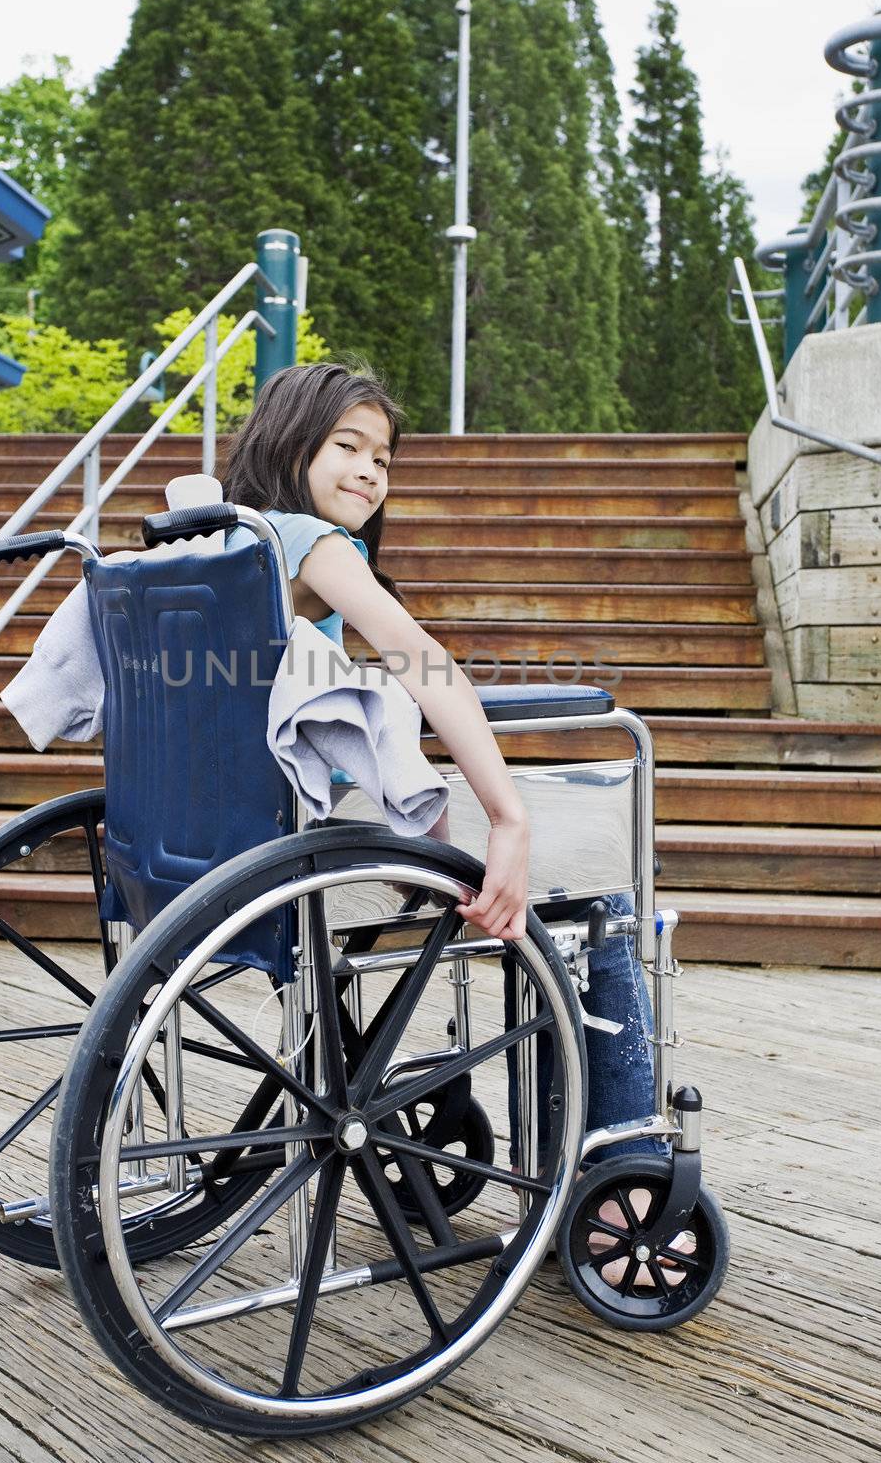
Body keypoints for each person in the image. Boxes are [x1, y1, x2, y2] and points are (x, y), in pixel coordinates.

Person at [223, 361, 679, 1278]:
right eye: (346, 446)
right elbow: (423, 662)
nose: (369, 472)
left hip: (237, 843)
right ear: (286, 443)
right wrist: (507, 819)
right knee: (602, 901)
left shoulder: (222, 545)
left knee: (550, 863)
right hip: (316, 853)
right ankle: (618, 1177)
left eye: (383, 459)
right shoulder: (310, 544)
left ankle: (505, 1129)